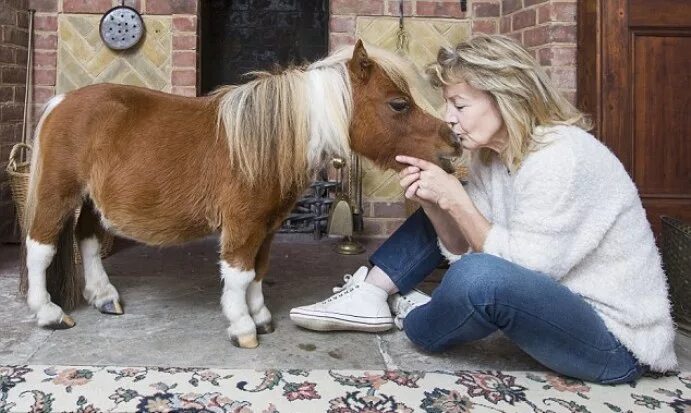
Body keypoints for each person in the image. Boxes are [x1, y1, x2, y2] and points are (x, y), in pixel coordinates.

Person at [289, 34, 678, 384]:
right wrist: (440, 205)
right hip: (553, 306)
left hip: (614, 344)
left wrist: (456, 200)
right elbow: (462, 247)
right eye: (447, 104)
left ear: (506, 96)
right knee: (445, 206)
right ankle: (371, 295)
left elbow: (519, 271)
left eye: (458, 104)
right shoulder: (490, 157)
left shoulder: (564, 155)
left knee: (479, 277)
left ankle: (411, 316)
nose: (448, 118)